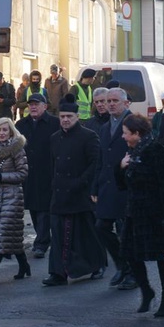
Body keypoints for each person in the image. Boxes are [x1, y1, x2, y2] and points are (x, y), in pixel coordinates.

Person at [115, 114, 164, 317]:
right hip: (134, 212)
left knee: (163, 258)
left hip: (156, 213)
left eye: (126, 133)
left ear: (137, 133)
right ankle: (146, 290)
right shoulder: (132, 152)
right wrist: (121, 167)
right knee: (129, 254)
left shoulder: (158, 151)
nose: (123, 137)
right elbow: (122, 185)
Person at [45, 94, 106, 285]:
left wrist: (82, 183)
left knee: (86, 234)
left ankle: (97, 265)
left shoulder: (89, 136)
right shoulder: (55, 138)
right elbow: (53, 164)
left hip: (81, 194)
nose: (65, 120)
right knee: (57, 234)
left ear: (77, 117)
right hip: (60, 194)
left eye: (69, 117)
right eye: (62, 117)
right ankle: (58, 272)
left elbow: (95, 163)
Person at [92, 87, 137, 290]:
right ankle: (121, 264)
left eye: (114, 101)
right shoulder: (105, 127)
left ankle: (132, 274)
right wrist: (95, 186)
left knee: (127, 232)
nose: (110, 104)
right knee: (101, 226)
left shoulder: (133, 124)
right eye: (108, 101)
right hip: (108, 185)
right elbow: (100, 159)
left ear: (126, 103)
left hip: (128, 185)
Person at [0, 118, 29, 283]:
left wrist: (2, 177)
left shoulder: (17, 150)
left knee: (2, 233)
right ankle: (24, 264)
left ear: (11, 132)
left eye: (5, 130)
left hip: (13, 196)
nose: (2, 133)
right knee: (11, 235)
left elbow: (23, 173)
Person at [16, 93, 60, 259]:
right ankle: (43, 238)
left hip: (48, 171)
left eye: (36, 104)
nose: (33, 107)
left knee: (44, 209)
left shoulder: (54, 123)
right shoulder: (21, 124)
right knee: (33, 209)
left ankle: (41, 243)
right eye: (30, 104)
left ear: (45, 106)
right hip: (28, 173)